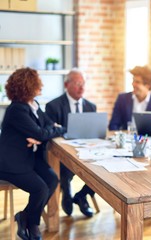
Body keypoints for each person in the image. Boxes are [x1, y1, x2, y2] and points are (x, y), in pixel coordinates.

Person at [0, 67, 66, 240]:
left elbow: (48, 126)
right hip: (12, 162)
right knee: (41, 189)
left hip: (29, 156)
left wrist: (45, 132)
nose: (41, 85)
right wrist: (43, 133)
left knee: (52, 179)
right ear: (27, 86)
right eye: (38, 83)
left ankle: (25, 216)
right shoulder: (17, 109)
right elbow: (41, 133)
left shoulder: (34, 105)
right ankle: (33, 223)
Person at [45, 68, 96, 218]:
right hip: (64, 154)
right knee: (66, 168)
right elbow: (51, 136)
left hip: (87, 152)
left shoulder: (91, 107)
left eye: (84, 83)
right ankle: (66, 189)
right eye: (77, 83)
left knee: (103, 171)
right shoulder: (53, 106)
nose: (82, 87)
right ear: (66, 85)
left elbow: (93, 133)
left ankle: (82, 195)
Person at [108, 65, 151, 131]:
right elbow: (113, 125)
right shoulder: (122, 99)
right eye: (133, 81)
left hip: (146, 140)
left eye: (137, 82)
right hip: (125, 139)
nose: (133, 84)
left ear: (148, 85)